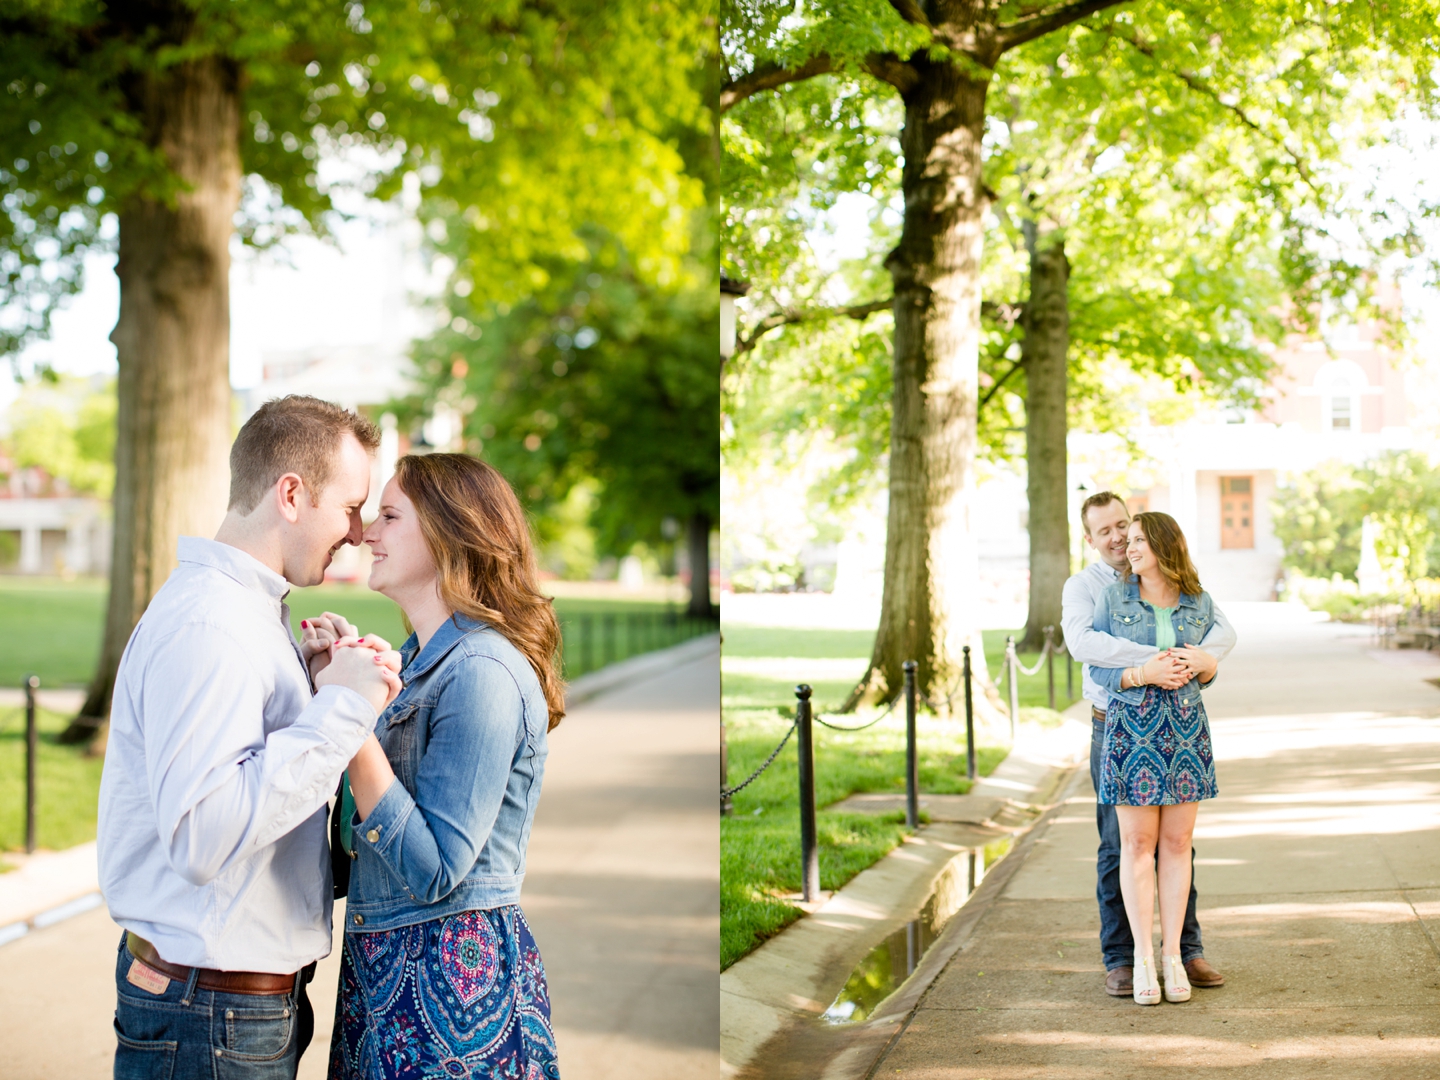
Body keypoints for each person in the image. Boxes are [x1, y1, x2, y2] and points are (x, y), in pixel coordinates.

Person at [98, 395, 404, 1078]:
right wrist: (341, 709)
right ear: (291, 494)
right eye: (350, 506)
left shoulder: (244, 614)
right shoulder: (213, 626)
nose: (358, 532)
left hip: (226, 1004)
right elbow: (203, 837)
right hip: (209, 1009)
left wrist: (323, 689)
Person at [326, 453, 564, 1080]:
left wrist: (349, 720)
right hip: (384, 974)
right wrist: (339, 688)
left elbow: (435, 871)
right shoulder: (415, 666)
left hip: (454, 988)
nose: (366, 534)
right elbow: (358, 847)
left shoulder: (482, 672)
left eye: (389, 516)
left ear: (448, 532)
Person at [1060, 492, 1234, 1000]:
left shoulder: (1188, 590)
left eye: (1126, 527)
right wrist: (1150, 665)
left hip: (1179, 725)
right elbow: (1086, 648)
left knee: (1179, 846)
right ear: (1090, 540)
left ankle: (1184, 949)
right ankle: (1123, 958)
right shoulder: (1093, 589)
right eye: (1108, 532)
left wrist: (1198, 661)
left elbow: (1220, 637)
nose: (1119, 539)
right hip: (1115, 726)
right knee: (1122, 847)